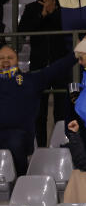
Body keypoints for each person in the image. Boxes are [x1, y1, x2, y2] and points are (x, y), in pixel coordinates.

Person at [0, 44, 75, 174]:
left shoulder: (30, 80)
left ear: (17, 60)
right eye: (1, 58)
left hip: (18, 136)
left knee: (15, 142)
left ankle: (19, 181)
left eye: (10, 57)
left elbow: (55, 69)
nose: (5, 60)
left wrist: (75, 54)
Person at [17, 0, 69, 147]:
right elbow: (22, 32)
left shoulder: (64, 7)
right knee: (39, 111)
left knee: (62, 110)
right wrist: (42, 14)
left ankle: (61, 146)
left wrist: (53, 11)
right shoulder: (31, 9)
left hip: (60, 65)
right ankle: (41, 147)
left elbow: (67, 28)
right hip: (38, 66)